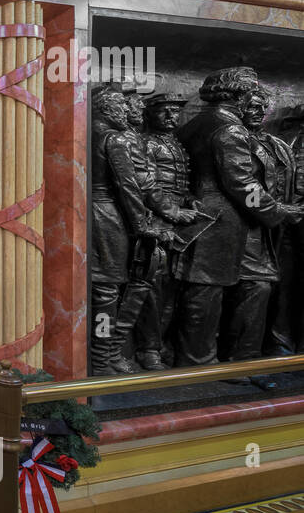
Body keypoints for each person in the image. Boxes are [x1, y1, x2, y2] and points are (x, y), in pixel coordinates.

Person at [172, 67, 304, 367]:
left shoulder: (196, 123)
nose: (255, 99)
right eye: (250, 93)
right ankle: (206, 365)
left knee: (225, 290)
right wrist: (278, 211)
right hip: (221, 223)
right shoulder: (229, 128)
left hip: (211, 221)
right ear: (237, 94)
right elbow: (243, 184)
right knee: (213, 294)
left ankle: (212, 362)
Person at [91, 84, 176, 374]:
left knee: (107, 289)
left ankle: (109, 353)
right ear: (109, 108)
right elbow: (127, 186)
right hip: (108, 217)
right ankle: (103, 358)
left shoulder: (88, 132)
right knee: (107, 292)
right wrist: (144, 224)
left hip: (93, 215)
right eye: (123, 107)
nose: (128, 112)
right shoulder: (113, 138)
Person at [221, 90, 296, 387]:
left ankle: (267, 351)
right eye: (251, 105)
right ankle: (242, 360)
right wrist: (275, 211)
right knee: (257, 287)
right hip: (249, 225)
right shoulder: (235, 140)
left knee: (275, 288)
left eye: (263, 106)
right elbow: (243, 187)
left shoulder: (278, 144)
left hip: (277, 228)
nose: (258, 110)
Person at [134, 91, 199, 370]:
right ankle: (148, 349)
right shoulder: (146, 143)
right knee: (153, 288)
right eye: (165, 111)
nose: (172, 116)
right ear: (150, 114)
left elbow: (178, 184)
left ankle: (162, 344)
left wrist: (189, 200)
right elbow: (148, 187)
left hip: (177, 222)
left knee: (173, 289)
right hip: (156, 222)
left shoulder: (174, 143)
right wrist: (173, 211)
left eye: (176, 111)